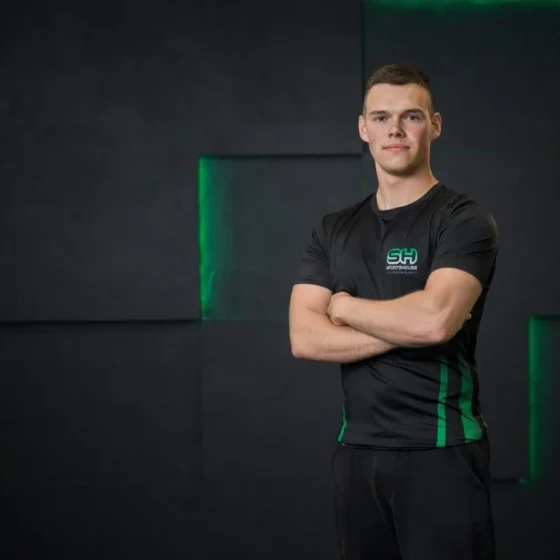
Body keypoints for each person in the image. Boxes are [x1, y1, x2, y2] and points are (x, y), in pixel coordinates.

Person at [289, 63, 498, 560]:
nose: (395, 130)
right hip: (357, 452)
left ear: (435, 125)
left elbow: (434, 320)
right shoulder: (333, 229)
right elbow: (304, 337)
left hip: (440, 450)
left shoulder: (463, 220)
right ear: (364, 128)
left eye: (411, 116)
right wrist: (412, 325)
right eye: (381, 117)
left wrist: (342, 307)